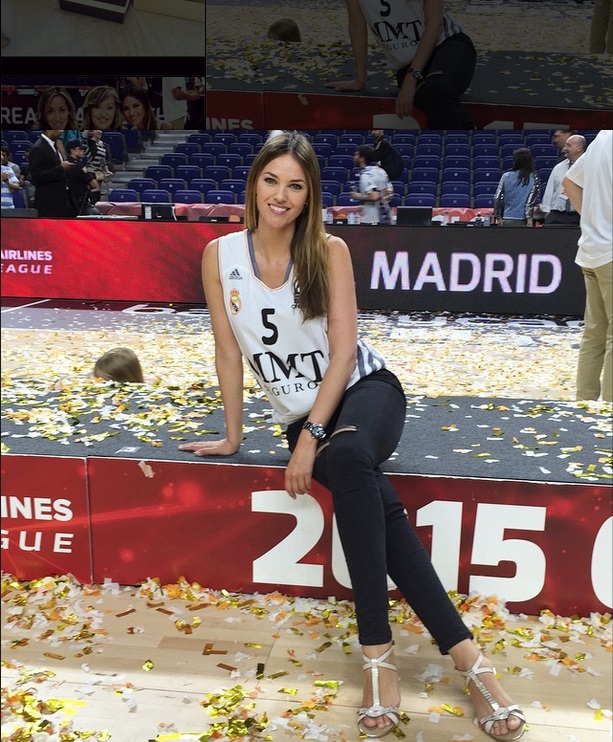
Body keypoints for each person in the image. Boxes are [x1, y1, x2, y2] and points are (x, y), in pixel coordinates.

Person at [178, 132, 525, 742]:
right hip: (301, 414)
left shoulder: (328, 250)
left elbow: (342, 354)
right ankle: (468, 659)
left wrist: (310, 439)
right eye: (271, 180)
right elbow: (227, 351)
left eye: (295, 185)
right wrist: (233, 436)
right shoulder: (219, 255)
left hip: (364, 391)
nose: (280, 195)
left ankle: (376, 655)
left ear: (309, 195)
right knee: (366, 489)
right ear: (254, 183)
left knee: (351, 455)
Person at [326, 0, 476, 128]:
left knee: (436, 88)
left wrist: (410, 80)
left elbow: (435, 25)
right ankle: (466, 141)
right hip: (407, 64)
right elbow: (357, 25)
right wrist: (360, 79)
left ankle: (454, 148)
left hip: (447, 46)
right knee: (434, 95)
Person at [563, 130, 612, 402]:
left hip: (592, 248)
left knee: (594, 332)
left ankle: (585, 402)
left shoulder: (602, 139)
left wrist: (591, 219)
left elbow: (569, 181)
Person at [27, 130, 74, 218]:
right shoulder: (38, 148)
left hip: (60, 200)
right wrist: (60, 168)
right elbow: (36, 176)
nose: (61, 131)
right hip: (48, 203)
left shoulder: (54, 146)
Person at [541, 134, 586, 227]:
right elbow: (550, 190)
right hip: (557, 216)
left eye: (568, 145)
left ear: (579, 148)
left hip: (579, 216)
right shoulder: (558, 167)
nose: (565, 148)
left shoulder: (589, 167)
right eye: (565, 145)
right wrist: (546, 211)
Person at [493, 148, 539, 227]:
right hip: (523, 220)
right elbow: (529, 202)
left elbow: (497, 198)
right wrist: (529, 219)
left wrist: (498, 216)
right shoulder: (533, 178)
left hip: (507, 218)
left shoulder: (505, 176)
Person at [351, 145, 394, 224]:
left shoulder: (366, 175)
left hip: (372, 220)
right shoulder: (381, 171)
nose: (354, 157)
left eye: (356, 155)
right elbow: (390, 194)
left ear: (362, 158)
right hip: (386, 219)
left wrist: (359, 196)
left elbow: (374, 196)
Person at [65, 139, 100, 217]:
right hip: (80, 201)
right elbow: (94, 184)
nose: (83, 151)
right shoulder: (78, 165)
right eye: (80, 149)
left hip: (68, 201)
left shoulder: (65, 164)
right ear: (72, 151)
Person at [84, 130, 114, 200]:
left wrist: (106, 170)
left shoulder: (103, 144)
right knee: (93, 191)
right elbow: (84, 137)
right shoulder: (89, 142)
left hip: (99, 172)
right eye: (96, 130)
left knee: (97, 194)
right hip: (90, 171)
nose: (99, 132)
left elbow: (103, 160)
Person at [1, 144, 21, 209]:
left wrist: (7, 182)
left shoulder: (8, 169)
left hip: (8, 207)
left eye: (3, 155)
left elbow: (17, 187)